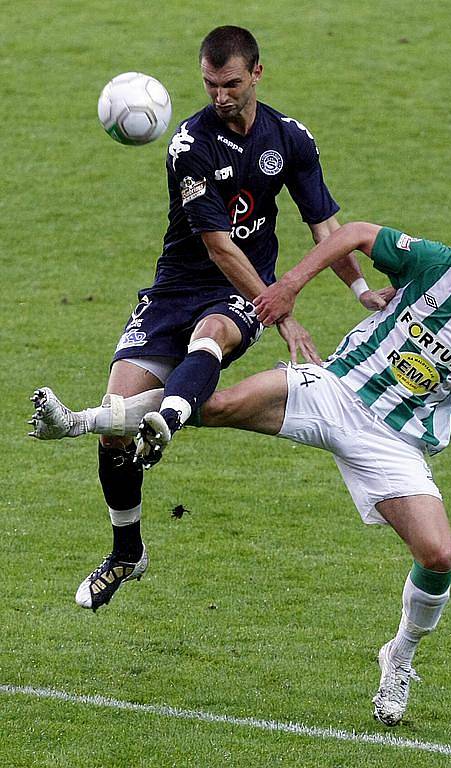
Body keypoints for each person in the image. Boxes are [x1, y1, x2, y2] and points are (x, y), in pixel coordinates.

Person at [30, 205, 451, 726]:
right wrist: (291, 285)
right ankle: (76, 421)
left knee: (438, 555)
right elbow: (359, 233)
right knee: (213, 404)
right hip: (336, 389)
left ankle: (400, 657)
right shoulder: (438, 265)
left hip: (396, 441)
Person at [50, 25, 388, 614]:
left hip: (237, 295)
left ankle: (168, 422)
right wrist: (281, 311)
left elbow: (325, 228)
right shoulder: (189, 146)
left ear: (257, 74)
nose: (219, 96)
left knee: (213, 336)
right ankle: (126, 551)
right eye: (209, 84)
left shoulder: (291, 139)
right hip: (179, 288)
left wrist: (358, 287)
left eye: (230, 83)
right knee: (113, 431)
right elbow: (217, 246)